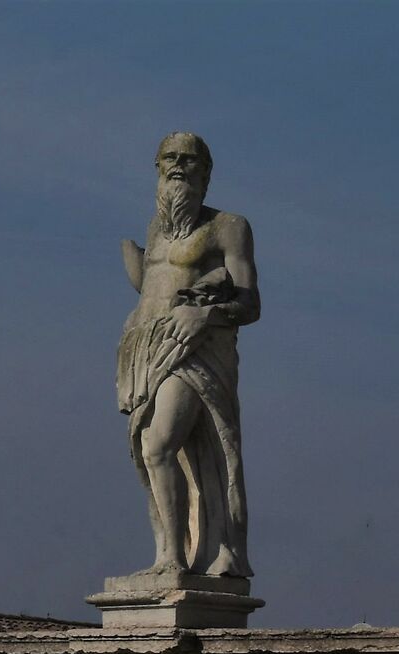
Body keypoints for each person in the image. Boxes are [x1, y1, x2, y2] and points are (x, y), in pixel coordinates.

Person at [115, 131, 260, 580]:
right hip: (145, 349)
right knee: (151, 452)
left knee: (160, 444)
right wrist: (134, 262)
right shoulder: (156, 228)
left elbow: (250, 304)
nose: (178, 165)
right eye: (169, 158)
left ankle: (173, 559)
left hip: (194, 348)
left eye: (189, 159)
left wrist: (207, 315)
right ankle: (173, 553)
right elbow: (157, 287)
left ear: (206, 172)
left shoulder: (228, 226)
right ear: (158, 167)